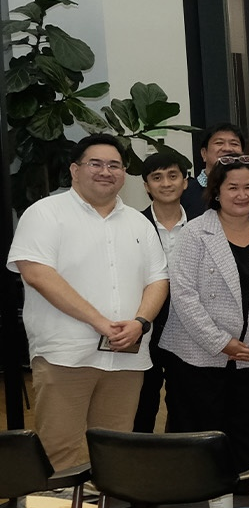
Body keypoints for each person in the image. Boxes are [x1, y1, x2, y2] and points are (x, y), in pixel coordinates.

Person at [7, 135, 168, 473]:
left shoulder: (139, 222)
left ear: (124, 174)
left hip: (126, 355)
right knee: (58, 449)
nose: (105, 172)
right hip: (66, 354)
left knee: (114, 449)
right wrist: (99, 321)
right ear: (75, 170)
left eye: (114, 165)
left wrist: (139, 322)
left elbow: (158, 280)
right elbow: (37, 274)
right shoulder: (46, 213)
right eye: (95, 163)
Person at [159, 156, 249, 485]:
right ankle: (194, 505)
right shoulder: (195, 233)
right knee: (201, 434)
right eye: (233, 187)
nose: (242, 194)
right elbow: (184, 296)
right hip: (197, 356)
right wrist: (221, 343)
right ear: (216, 192)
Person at [134, 147, 190, 434]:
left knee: (185, 402)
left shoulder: (204, 222)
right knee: (143, 401)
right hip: (146, 325)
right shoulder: (133, 225)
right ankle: (139, 468)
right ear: (146, 186)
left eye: (173, 175)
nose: (166, 183)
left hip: (190, 328)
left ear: (185, 181)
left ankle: (179, 464)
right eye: (157, 177)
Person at [179, 122, 249, 217]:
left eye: (234, 144)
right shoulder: (184, 192)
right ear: (204, 153)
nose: (227, 149)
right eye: (219, 143)